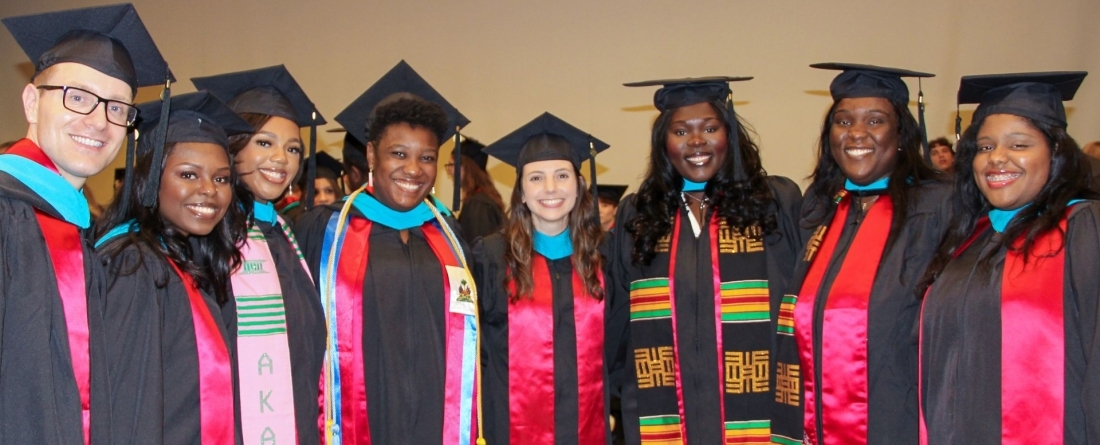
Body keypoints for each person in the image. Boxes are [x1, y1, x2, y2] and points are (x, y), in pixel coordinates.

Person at [0, 5, 169, 443]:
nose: (98, 121)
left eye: (118, 108)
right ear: (33, 102)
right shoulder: (7, 213)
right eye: (78, 97)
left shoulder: (74, 229)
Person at [609, 76, 804, 444]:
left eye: (710, 128)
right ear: (663, 143)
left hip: (762, 412)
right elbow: (618, 319)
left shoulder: (773, 203)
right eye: (681, 131)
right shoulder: (640, 216)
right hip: (662, 414)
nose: (696, 142)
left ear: (729, 135)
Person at [294, 61, 481, 444]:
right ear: (371, 155)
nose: (413, 169)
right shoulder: (326, 229)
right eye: (399, 153)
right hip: (362, 417)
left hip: (435, 418)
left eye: (427, 157)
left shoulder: (449, 235)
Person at [771, 63, 951, 445]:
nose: (856, 133)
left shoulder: (938, 207)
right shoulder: (822, 209)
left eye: (875, 120)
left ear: (902, 133)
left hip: (900, 419)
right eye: (843, 121)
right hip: (816, 421)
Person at [918, 71, 1100, 444]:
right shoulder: (968, 239)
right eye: (984, 147)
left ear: (1056, 152)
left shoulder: (1083, 229)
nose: (997, 158)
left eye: (1019, 145)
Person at [94, 91, 252, 444]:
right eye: (188, 174)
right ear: (150, 181)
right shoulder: (132, 265)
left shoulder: (188, 258)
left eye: (222, 179)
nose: (209, 190)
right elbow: (128, 407)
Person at [191, 65, 328, 445]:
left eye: (293, 148)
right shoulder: (208, 236)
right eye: (265, 143)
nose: (281, 159)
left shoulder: (283, 234)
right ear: (234, 145)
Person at [473, 113, 611, 444]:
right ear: (520, 191)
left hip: (588, 424)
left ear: (579, 186)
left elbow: (619, 345)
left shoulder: (604, 257)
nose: (550, 188)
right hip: (509, 426)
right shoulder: (491, 258)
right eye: (535, 178)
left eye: (562, 175)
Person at [447, 138, 505, 241]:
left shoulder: (478, 205)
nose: (449, 171)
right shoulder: (483, 199)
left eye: (451, 165)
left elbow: (480, 251)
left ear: (465, 166)